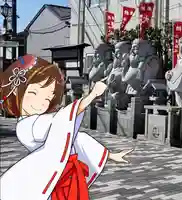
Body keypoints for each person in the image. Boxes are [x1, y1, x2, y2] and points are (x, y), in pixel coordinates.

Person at [0, 55, 133, 200]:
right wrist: (92, 95)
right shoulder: (26, 126)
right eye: (34, 93)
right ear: (17, 95)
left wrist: (109, 155)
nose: (43, 102)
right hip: (54, 179)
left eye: (48, 96)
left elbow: (76, 138)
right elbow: (62, 122)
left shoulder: (45, 119)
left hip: (67, 175)